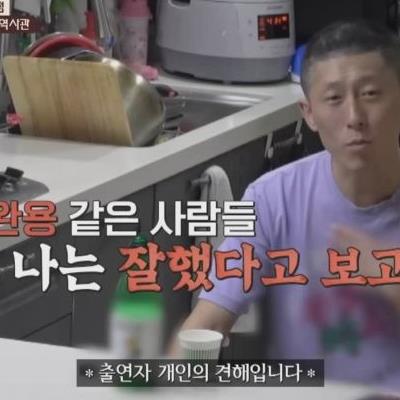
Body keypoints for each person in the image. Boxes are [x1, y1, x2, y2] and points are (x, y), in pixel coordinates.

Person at [171, 20, 400, 389]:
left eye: (371, 94)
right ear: (309, 113)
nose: (355, 117)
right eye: (334, 99)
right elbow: (209, 320)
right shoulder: (271, 198)